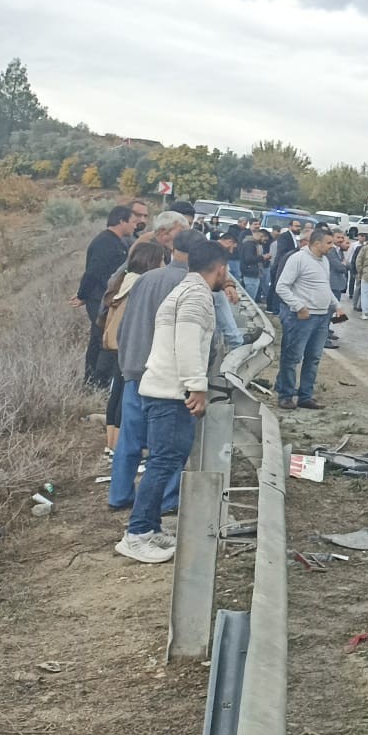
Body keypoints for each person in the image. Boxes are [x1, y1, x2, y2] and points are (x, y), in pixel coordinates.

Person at [119, 240, 230, 563]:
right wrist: (197, 386)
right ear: (220, 268)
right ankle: (137, 534)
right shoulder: (196, 295)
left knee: (166, 460)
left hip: (163, 388)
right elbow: (187, 343)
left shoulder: (184, 289)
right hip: (170, 393)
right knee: (163, 462)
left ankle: (150, 528)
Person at [108, 218, 197, 519]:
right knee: (167, 446)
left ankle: (119, 494)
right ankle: (166, 500)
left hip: (132, 369)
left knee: (129, 440)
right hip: (163, 375)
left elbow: (125, 326)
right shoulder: (189, 286)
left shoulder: (146, 279)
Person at [96, 239, 171, 455]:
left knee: (116, 393)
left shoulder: (124, 279)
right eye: (163, 261)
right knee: (125, 399)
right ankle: (119, 447)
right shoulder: (141, 283)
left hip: (117, 344)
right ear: (153, 262)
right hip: (131, 345)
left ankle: (111, 444)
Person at [73, 205, 135, 388]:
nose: (134, 226)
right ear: (121, 221)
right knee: (103, 342)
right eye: (132, 221)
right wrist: (82, 294)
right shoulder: (105, 243)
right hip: (99, 299)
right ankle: (97, 384)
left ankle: (91, 382)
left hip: (102, 298)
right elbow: (93, 272)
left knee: (97, 340)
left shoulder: (116, 241)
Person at [274, 227, 336, 410]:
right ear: (316, 243)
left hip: (322, 317)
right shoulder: (298, 259)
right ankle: (285, 395)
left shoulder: (324, 261)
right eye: (329, 243)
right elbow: (281, 287)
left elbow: (325, 286)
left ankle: (305, 396)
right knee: (292, 357)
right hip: (303, 318)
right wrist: (299, 306)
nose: (332, 246)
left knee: (313, 358)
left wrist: (336, 305)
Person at [236, 227, 267, 302]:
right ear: (259, 236)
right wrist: (262, 258)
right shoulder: (250, 245)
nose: (264, 241)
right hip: (251, 273)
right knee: (249, 299)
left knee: (250, 297)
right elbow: (248, 259)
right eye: (264, 238)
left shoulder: (252, 244)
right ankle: (247, 313)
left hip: (251, 272)